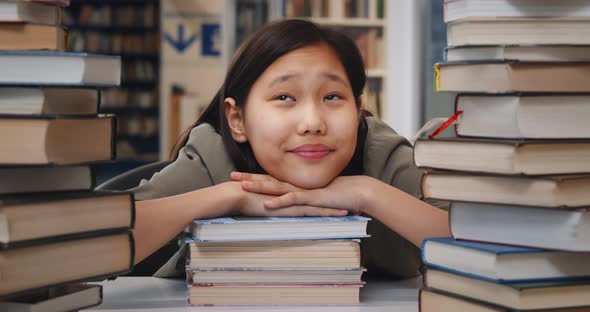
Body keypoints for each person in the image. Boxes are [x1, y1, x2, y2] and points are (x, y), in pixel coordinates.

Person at [130, 19, 450, 278]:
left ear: (357, 110)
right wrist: (231, 195)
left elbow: (482, 250)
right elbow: (95, 241)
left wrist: (367, 193)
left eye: (332, 97)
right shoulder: (214, 156)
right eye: (284, 97)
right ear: (237, 119)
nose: (312, 122)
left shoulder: (382, 155)